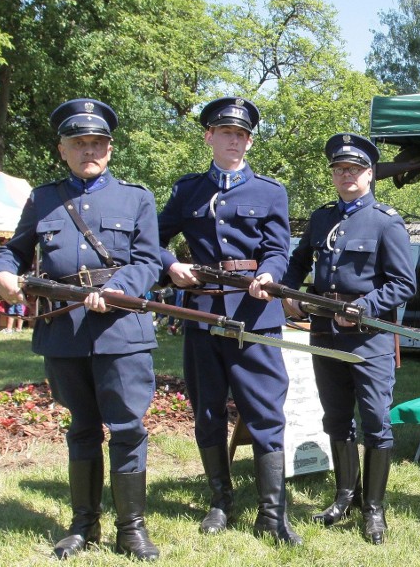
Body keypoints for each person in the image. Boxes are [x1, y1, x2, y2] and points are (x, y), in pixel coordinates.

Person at [0, 98, 161, 560]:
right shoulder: (42, 199)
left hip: (122, 330)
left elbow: (147, 263)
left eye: (97, 143)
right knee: (81, 428)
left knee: (127, 428)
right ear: (62, 149)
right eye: (79, 143)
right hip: (63, 331)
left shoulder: (137, 198)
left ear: (110, 148)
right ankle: (83, 525)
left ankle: (132, 528)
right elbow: (14, 252)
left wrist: (118, 289)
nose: (90, 150)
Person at [158, 97, 301, 545]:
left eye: (241, 135)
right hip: (202, 314)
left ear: (250, 141)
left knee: (265, 412)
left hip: (256, 316)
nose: (234, 141)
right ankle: (220, 502)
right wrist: (169, 265)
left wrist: (270, 273)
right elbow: (153, 239)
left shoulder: (270, 191)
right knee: (207, 411)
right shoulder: (188, 190)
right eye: (226, 133)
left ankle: (272, 515)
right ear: (209, 137)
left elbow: (280, 249)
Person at [281, 133, 416, 545]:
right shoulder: (322, 219)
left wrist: (367, 305)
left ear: (370, 174)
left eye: (354, 170)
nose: (347, 176)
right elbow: (298, 261)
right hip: (324, 330)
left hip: (367, 337)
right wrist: (288, 294)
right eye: (340, 170)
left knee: (375, 420)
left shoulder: (386, 221)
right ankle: (345, 495)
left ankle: (373, 509)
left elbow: (404, 283)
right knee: (335, 417)